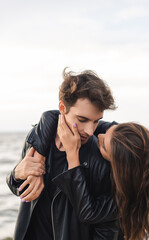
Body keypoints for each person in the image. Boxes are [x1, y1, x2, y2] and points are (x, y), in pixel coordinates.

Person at [7, 69, 123, 240]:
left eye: (96, 121)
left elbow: (105, 224)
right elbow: (22, 191)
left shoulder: (101, 155)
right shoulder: (37, 137)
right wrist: (16, 174)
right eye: (82, 120)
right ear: (62, 107)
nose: (90, 131)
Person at [19, 113, 149, 240]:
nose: (98, 135)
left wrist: (72, 154)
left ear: (118, 166)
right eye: (106, 132)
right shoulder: (120, 137)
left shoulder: (123, 199)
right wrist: (39, 157)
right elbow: (52, 116)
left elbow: (88, 212)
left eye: (103, 145)